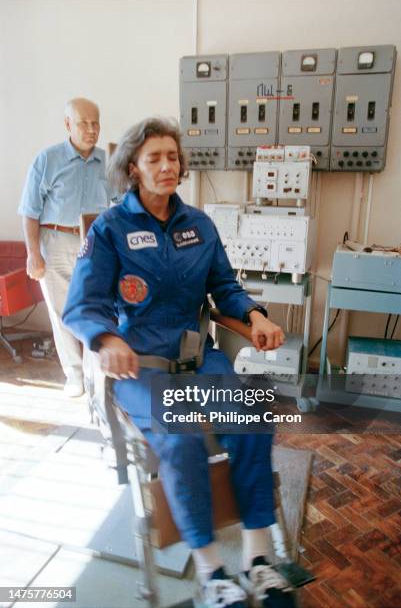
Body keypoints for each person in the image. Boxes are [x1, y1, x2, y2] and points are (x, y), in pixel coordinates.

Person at [63, 117, 295, 608]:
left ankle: (257, 561)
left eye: (173, 157)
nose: (167, 166)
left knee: (254, 417)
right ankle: (212, 573)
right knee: (184, 438)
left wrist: (253, 317)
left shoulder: (199, 225)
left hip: (198, 359)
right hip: (140, 367)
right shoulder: (109, 230)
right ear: (133, 168)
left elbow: (224, 289)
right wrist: (106, 339)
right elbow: (82, 306)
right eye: (155, 159)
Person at [19, 98, 115, 397]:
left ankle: (92, 374)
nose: (91, 129)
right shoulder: (47, 160)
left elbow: (120, 207)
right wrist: (33, 253)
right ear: (68, 125)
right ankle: (73, 375)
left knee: (96, 309)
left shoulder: (109, 162)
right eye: (83, 123)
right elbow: (30, 212)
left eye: (95, 123)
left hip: (96, 244)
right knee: (61, 313)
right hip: (56, 242)